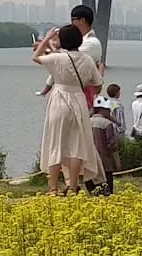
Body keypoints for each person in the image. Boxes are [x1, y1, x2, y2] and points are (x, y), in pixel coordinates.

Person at [33, 25, 103, 195]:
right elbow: (98, 84)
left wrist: (48, 39)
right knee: (77, 145)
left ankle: (53, 188)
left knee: (56, 143)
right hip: (78, 100)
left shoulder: (58, 58)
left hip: (59, 99)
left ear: (62, 41)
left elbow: (36, 57)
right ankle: (72, 186)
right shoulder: (87, 60)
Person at [35, 5, 104, 104]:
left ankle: (45, 90)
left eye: (73, 19)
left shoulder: (91, 43)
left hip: (81, 95)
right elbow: (62, 56)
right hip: (71, 95)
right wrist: (47, 47)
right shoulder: (81, 41)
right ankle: (45, 90)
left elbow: (65, 59)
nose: (71, 22)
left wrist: (47, 43)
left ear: (82, 20)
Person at [86, 96, 121, 196]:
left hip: (89, 163)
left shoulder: (86, 122)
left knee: (93, 194)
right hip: (105, 164)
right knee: (106, 193)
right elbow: (112, 145)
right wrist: (117, 162)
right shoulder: (107, 124)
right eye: (108, 109)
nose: (110, 112)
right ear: (103, 110)